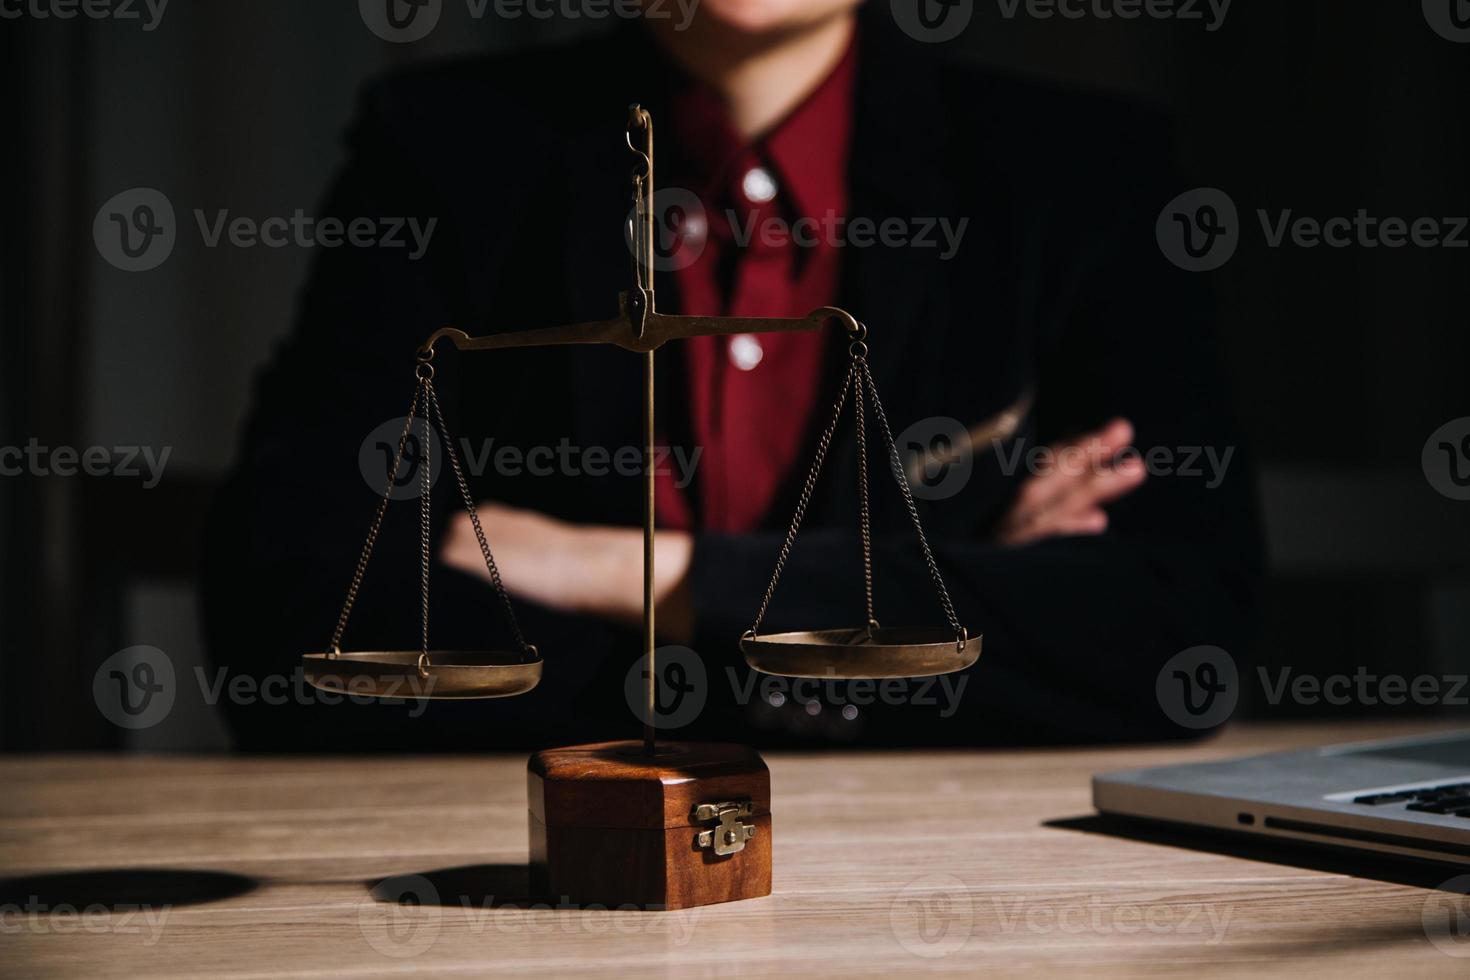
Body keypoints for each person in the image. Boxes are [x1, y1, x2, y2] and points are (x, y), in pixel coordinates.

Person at [203, 1, 1261, 751]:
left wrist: (635, 575)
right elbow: (286, 610)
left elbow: (1181, 635)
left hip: (951, 865)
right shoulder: (446, 151)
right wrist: (923, 598)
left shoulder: (1077, 169)